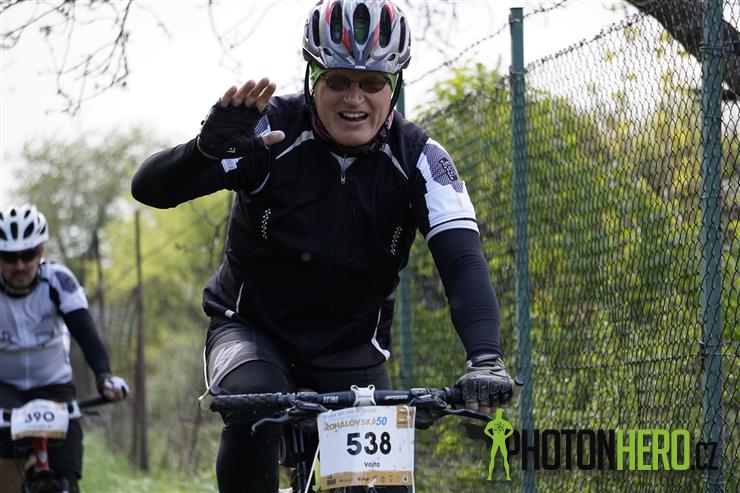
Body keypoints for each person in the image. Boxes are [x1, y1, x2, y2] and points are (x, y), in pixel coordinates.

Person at [132, 1, 514, 491]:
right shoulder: (269, 132)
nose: (355, 98)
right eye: (337, 80)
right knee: (255, 410)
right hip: (253, 332)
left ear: (395, 85)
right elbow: (150, 189)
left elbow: (462, 262)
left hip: (351, 350)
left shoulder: (420, 158)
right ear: (312, 79)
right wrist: (202, 151)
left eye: (372, 82)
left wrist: (485, 358)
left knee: (380, 486)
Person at [0, 204, 128, 493]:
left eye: (28, 255)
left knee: (66, 469)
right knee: (5, 458)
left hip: (53, 384)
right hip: (5, 385)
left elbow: (85, 332)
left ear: (41, 251)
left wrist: (104, 376)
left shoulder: (58, 280)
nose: (19, 265)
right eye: (9, 257)